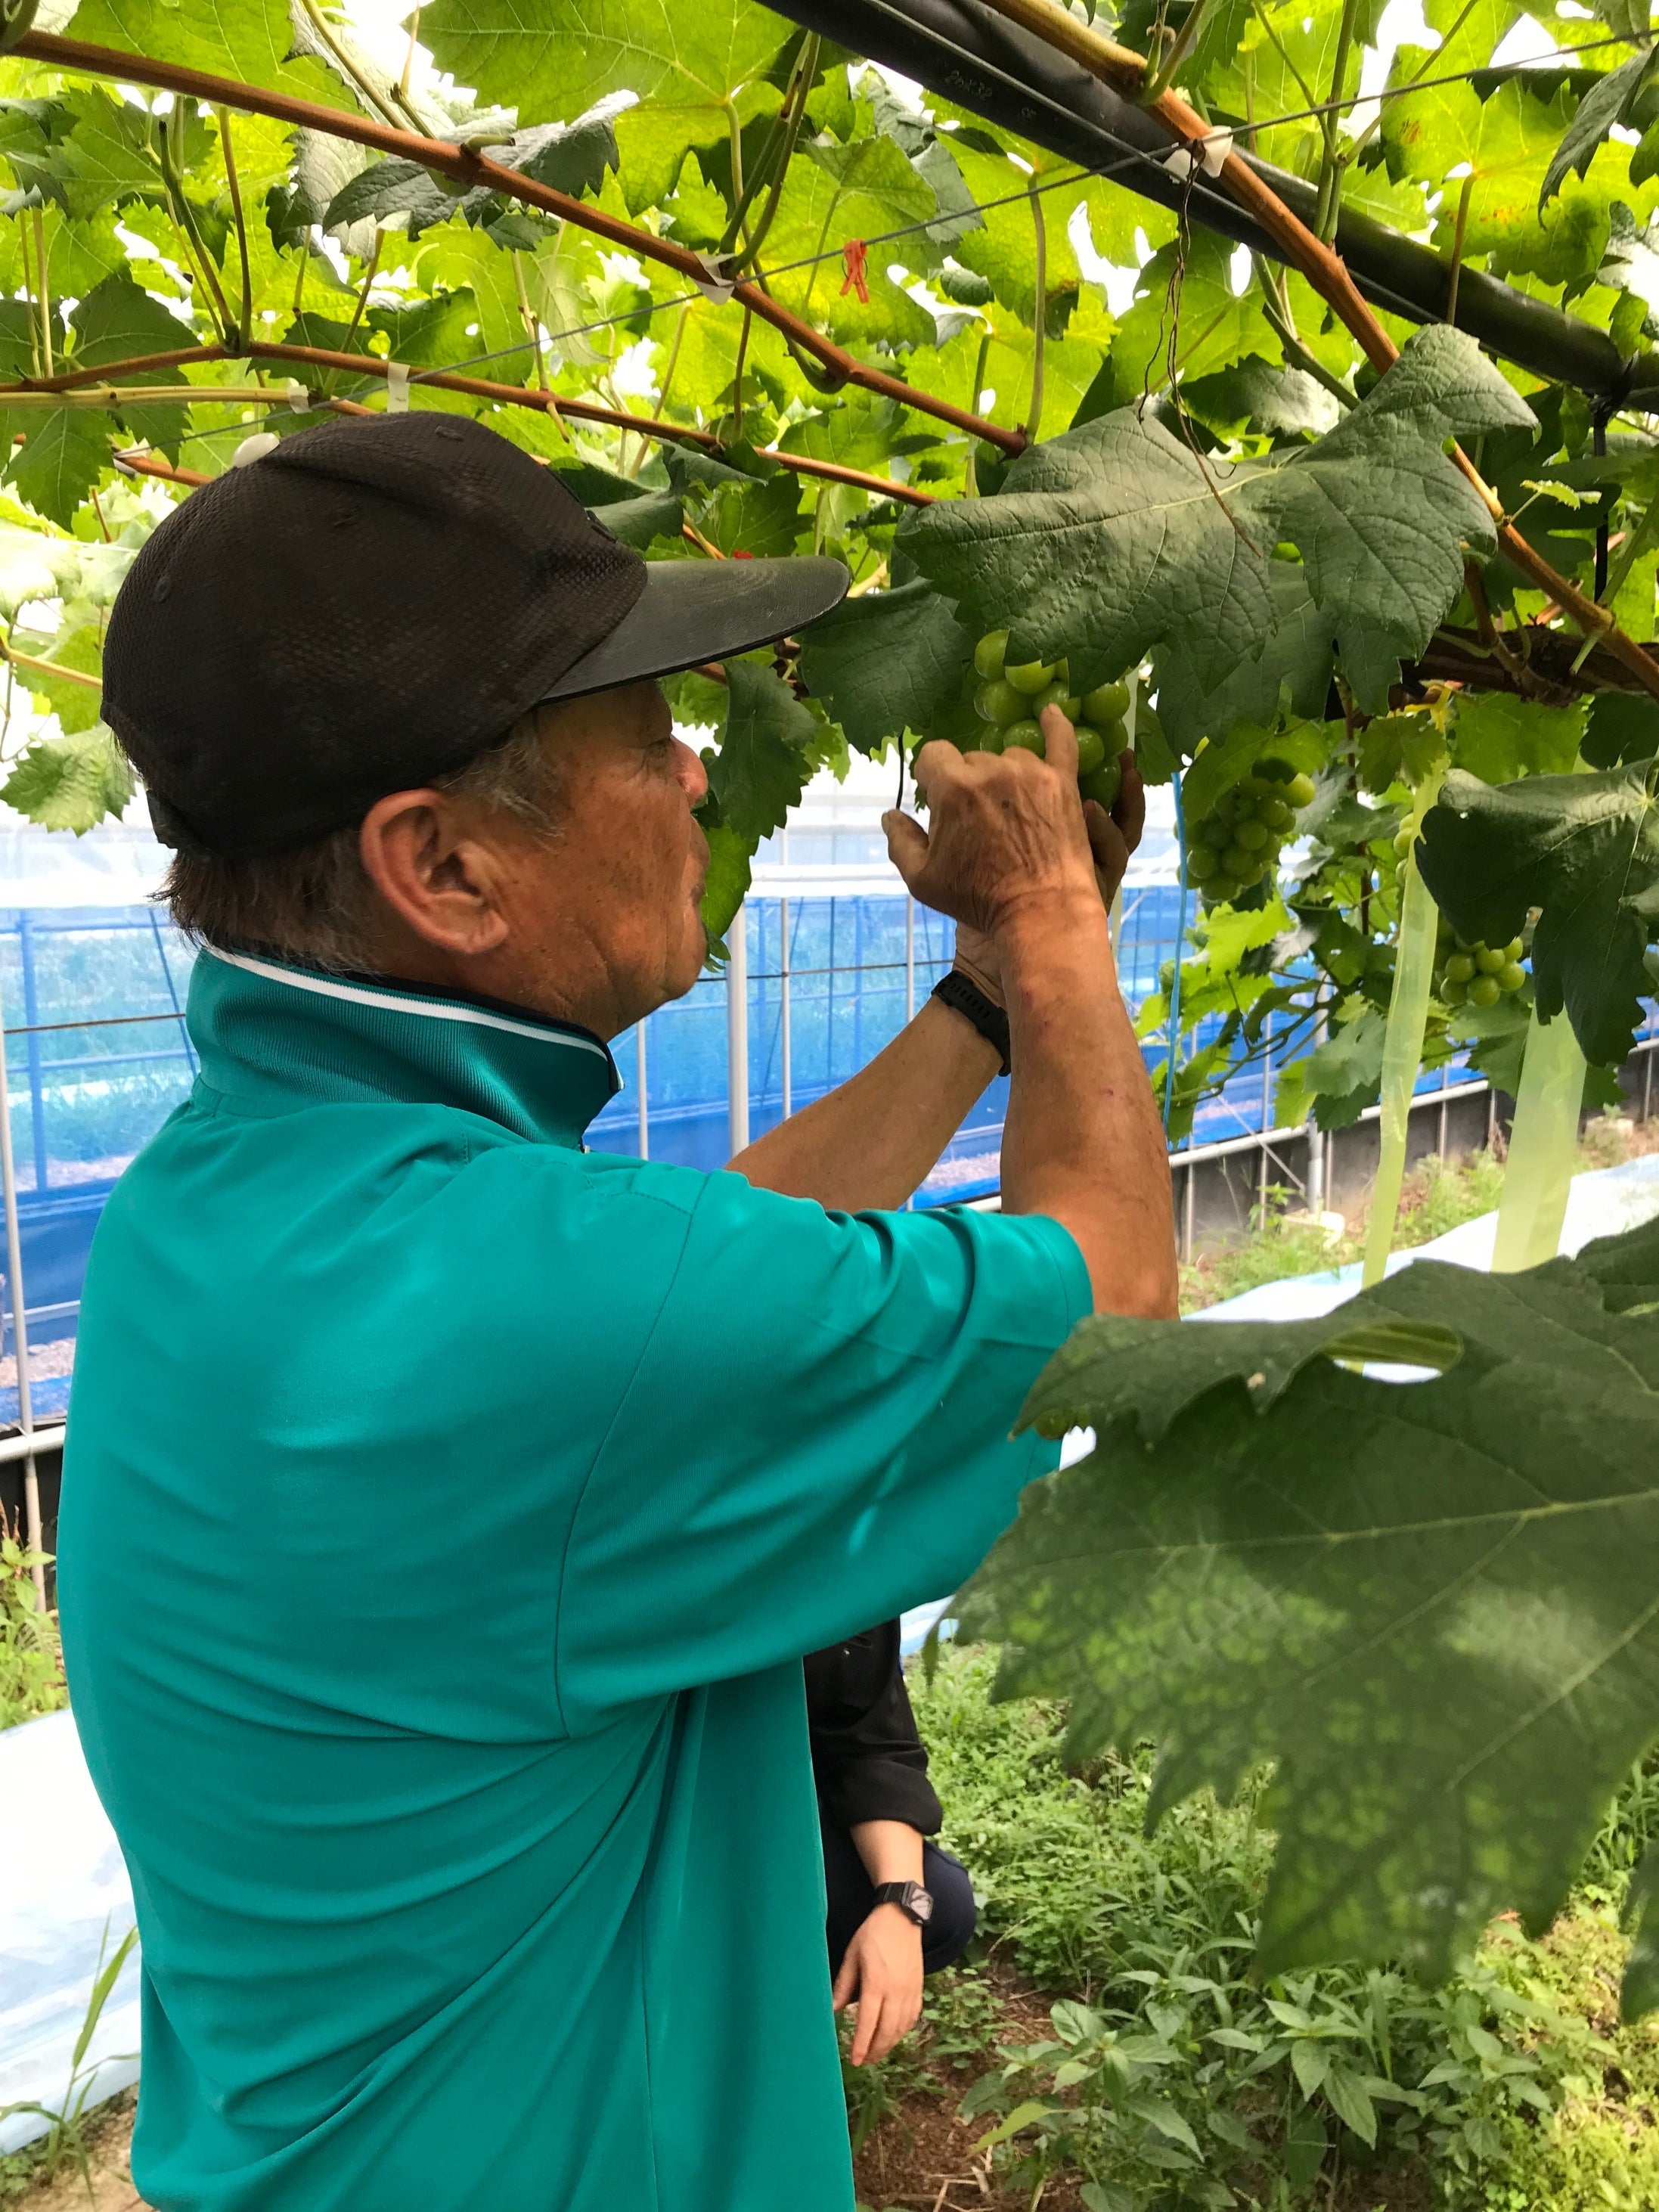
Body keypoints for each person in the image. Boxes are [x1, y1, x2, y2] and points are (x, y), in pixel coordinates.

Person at [56, 412, 1177, 2212]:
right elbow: (1110, 1295)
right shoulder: (553, 1310)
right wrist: (1050, 912)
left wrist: (977, 1007)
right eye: (643, 735)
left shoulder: (230, 1199)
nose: (695, 776)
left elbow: (689, 1271)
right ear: (445, 867)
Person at [807, 1619, 977, 2068]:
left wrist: (902, 1903)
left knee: (943, 1905)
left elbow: (869, 1738)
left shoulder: (844, 1564)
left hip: (762, 1805)